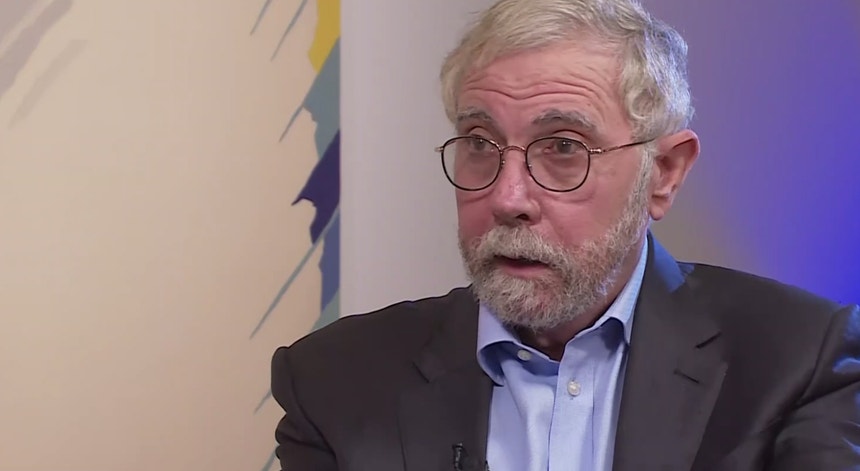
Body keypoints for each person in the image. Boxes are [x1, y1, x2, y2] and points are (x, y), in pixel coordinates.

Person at [271, 0, 860, 469]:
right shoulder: (333, 383)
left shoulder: (797, 362)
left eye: (562, 147)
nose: (507, 198)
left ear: (663, 174)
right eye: (479, 143)